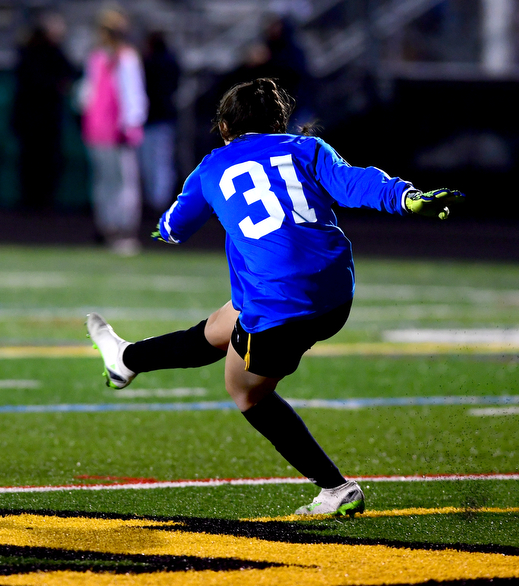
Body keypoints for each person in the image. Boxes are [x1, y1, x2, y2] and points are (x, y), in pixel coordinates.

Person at [86, 78, 465, 516]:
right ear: (279, 121)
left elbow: (172, 229)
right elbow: (357, 183)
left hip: (282, 305)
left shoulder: (212, 165)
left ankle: (335, 488)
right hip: (335, 292)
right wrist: (408, 197)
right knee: (223, 323)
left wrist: (164, 227)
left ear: (225, 126)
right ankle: (126, 359)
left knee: (244, 391)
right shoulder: (308, 148)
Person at [79, 7, 148, 255]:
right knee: (118, 183)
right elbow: (133, 97)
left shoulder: (114, 58)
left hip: (107, 130)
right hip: (106, 130)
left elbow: (129, 97)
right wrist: (131, 124)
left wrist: (129, 124)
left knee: (112, 183)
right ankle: (115, 230)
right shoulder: (108, 58)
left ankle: (115, 228)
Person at [11, 12, 76, 214]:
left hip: (44, 119)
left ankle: (40, 200)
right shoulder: (32, 52)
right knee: (33, 161)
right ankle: (33, 200)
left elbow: (68, 74)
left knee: (43, 162)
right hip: (36, 118)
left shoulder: (49, 52)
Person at [140, 31, 181, 213]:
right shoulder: (172, 62)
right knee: (161, 162)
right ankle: (159, 201)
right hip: (162, 119)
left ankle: (157, 202)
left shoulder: (148, 64)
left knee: (153, 162)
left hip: (154, 119)